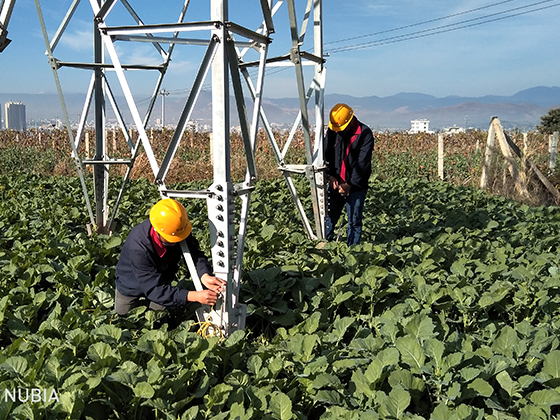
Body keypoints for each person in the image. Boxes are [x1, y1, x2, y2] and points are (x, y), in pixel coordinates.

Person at [114, 197, 226, 316]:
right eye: (172, 239)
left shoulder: (178, 229)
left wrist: (204, 275)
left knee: (159, 316)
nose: (178, 241)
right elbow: (154, 289)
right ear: (158, 232)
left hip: (162, 281)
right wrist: (193, 296)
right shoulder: (138, 247)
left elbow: (194, 254)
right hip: (131, 283)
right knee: (123, 319)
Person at [324, 103, 375, 245]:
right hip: (335, 183)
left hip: (356, 186)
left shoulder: (364, 134)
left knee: (354, 221)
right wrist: (330, 175)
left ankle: (352, 252)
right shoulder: (333, 131)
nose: (340, 131)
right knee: (328, 218)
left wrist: (349, 184)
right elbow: (326, 153)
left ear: (351, 120)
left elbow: (362, 164)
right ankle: (323, 248)